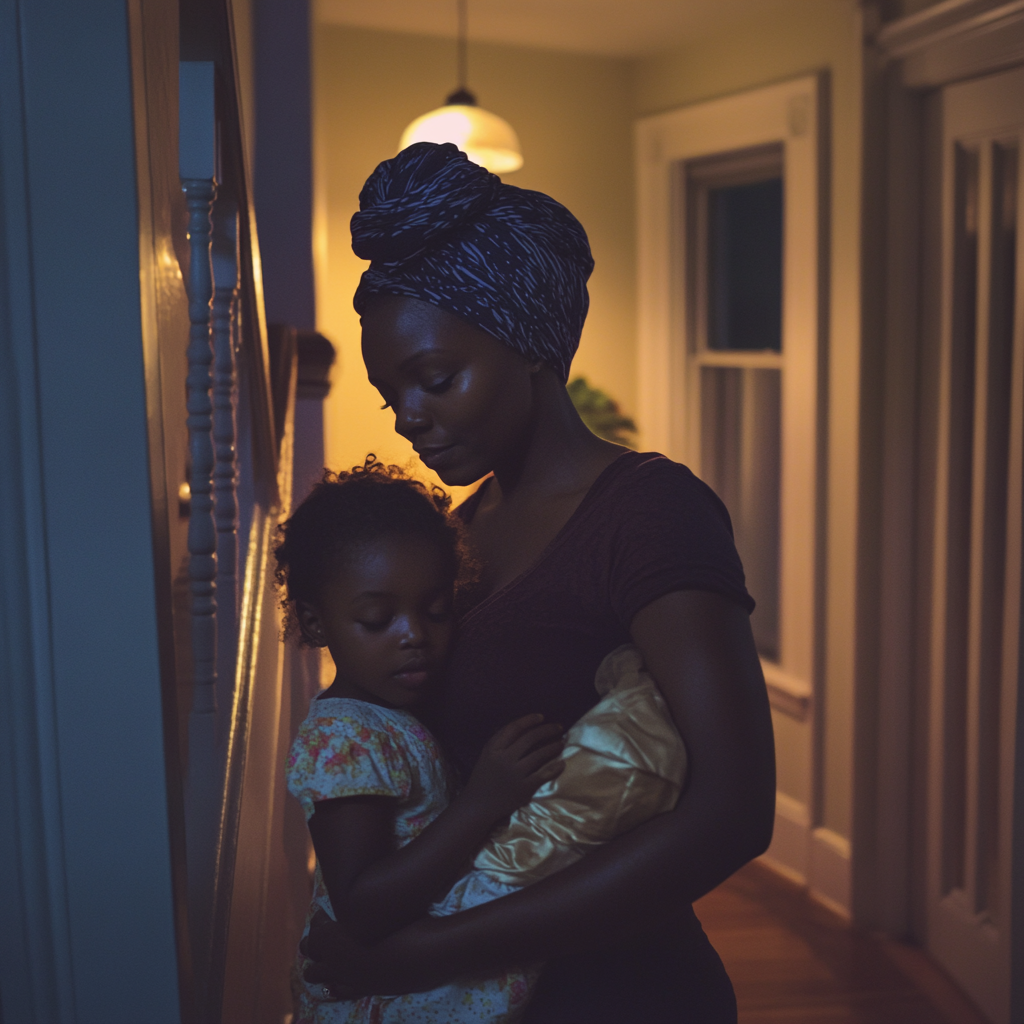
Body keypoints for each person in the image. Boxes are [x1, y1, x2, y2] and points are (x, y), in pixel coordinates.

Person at [304, 142, 776, 1023]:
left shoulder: (648, 514)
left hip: (621, 995)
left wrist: (422, 952)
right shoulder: (452, 537)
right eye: (390, 395)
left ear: (527, 343)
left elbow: (735, 811)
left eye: (437, 380)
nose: (411, 419)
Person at [278, 458, 691, 1024]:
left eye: (437, 611)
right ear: (317, 624)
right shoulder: (343, 737)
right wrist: (482, 804)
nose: (414, 636)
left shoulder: (394, 717)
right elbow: (363, 908)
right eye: (377, 619)